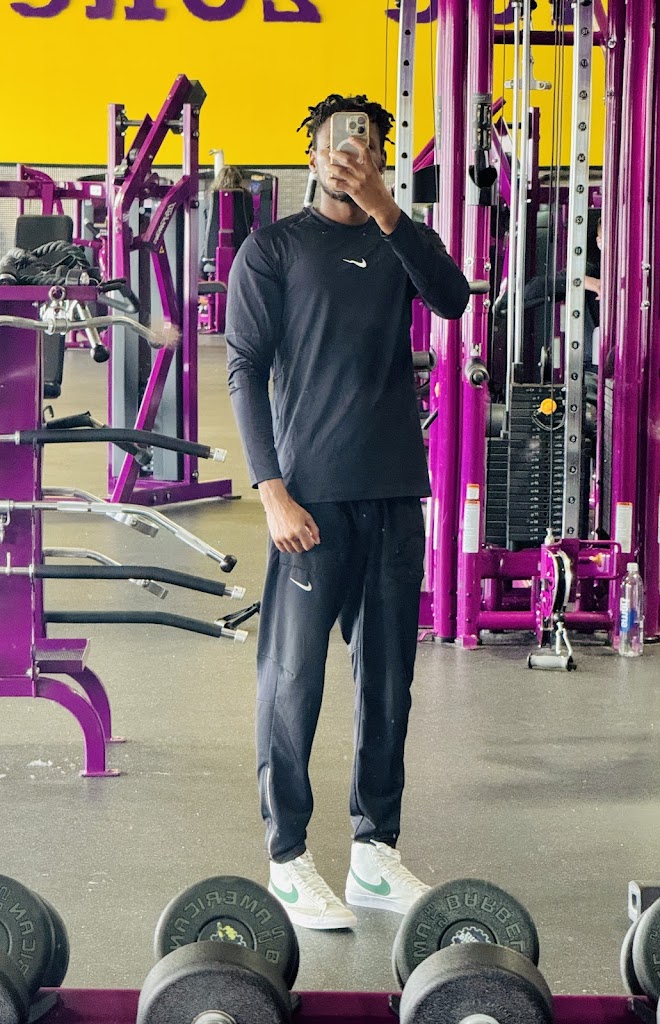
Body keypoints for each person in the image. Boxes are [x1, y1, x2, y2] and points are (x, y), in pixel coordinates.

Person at [225, 94, 469, 931]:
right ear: (312, 155)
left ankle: (375, 852)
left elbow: (453, 298)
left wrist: (386, 209)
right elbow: (244, 370)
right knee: (293, 681)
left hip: (395, 491)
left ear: (378, 157)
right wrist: (271, 491)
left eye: (362, 145)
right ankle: (288, 858)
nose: (347, 156)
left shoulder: (398, 241)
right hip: (311, 499)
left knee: (390, 683)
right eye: (334, 145)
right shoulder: (273, 249)